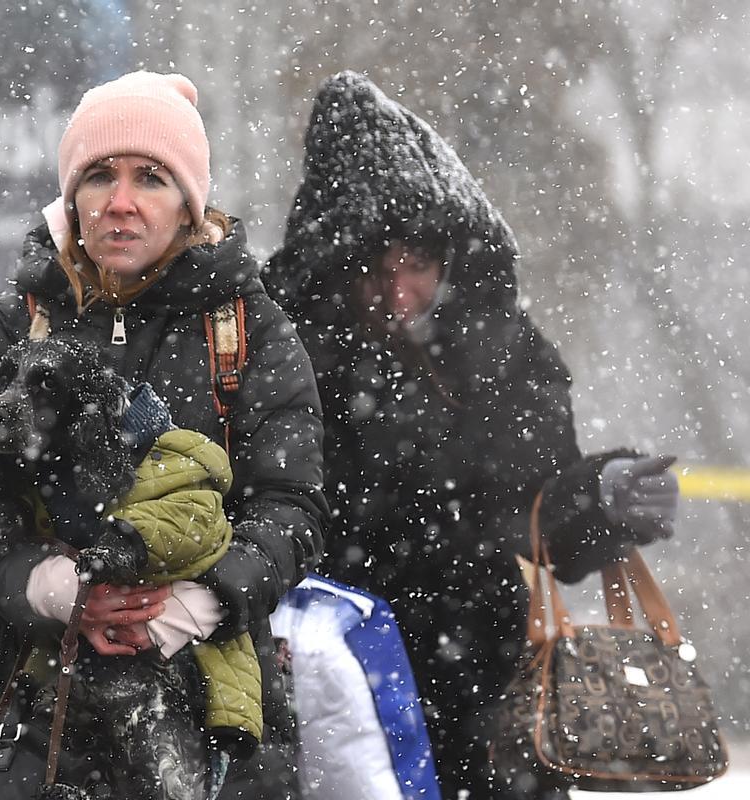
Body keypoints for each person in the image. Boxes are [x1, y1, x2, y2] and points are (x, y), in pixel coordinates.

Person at [262, 71, 680, 800]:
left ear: (450, 258)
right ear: (336, 264)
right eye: (377, 270)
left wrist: (602, 495)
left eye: (417, 267)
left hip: (486, 695)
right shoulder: (283, 353)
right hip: (335, 693)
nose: (398, 296)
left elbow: (534, 514)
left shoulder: (499, 353)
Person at [0, 71, 328, 799]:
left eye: (150, 177)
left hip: (214, 716)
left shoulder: (249, 331)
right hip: (27, 717)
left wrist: (194, 604)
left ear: (189, 206)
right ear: (70, 196)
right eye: (98, 176)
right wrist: (53, 591)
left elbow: (292, 510)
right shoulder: (9, 329)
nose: (120, 202)